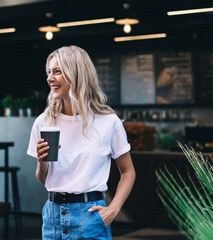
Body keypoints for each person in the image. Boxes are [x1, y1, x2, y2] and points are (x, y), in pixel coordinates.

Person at [27, 45, 136, 239]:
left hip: (91, 217)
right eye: (49, 72)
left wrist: (113, 209)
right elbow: (44, 180)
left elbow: (128, 172)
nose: (50, 78)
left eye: (57, 72)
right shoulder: (44, 122)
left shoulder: (108, 121)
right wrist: (41, 163)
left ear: (77, 74)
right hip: (53, 218)